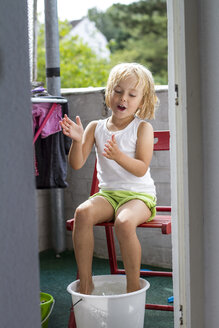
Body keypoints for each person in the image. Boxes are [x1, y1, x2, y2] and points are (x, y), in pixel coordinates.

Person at [60, 62, 159, 294]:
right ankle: (86, 283)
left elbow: (141, 168)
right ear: (108, 93)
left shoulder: (143, 128)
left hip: (139, 197)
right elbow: (76, 164)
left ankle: (132, 286)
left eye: (132, 94)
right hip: (108, 196)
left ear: (141, 102)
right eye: (118, 91)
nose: (123, 98)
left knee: (124, 223)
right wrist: (77, 140)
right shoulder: (96, 127)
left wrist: (119, 156)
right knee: (82, 213)